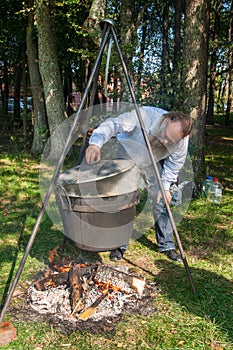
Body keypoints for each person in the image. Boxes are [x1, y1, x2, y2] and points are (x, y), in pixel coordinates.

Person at [85, 106, 193, 262]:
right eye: (164, 135)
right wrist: (96, 143)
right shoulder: (143, 116)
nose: (164, 141)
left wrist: (165, 186)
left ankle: (166, 244)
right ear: (165, 121)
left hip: (155, 159)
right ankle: (119, 244)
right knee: (124, 197)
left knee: (161, 199)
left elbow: (174, 163)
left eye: (170, 141)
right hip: (128, 152)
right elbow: (114, 124)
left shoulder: (181, 141)